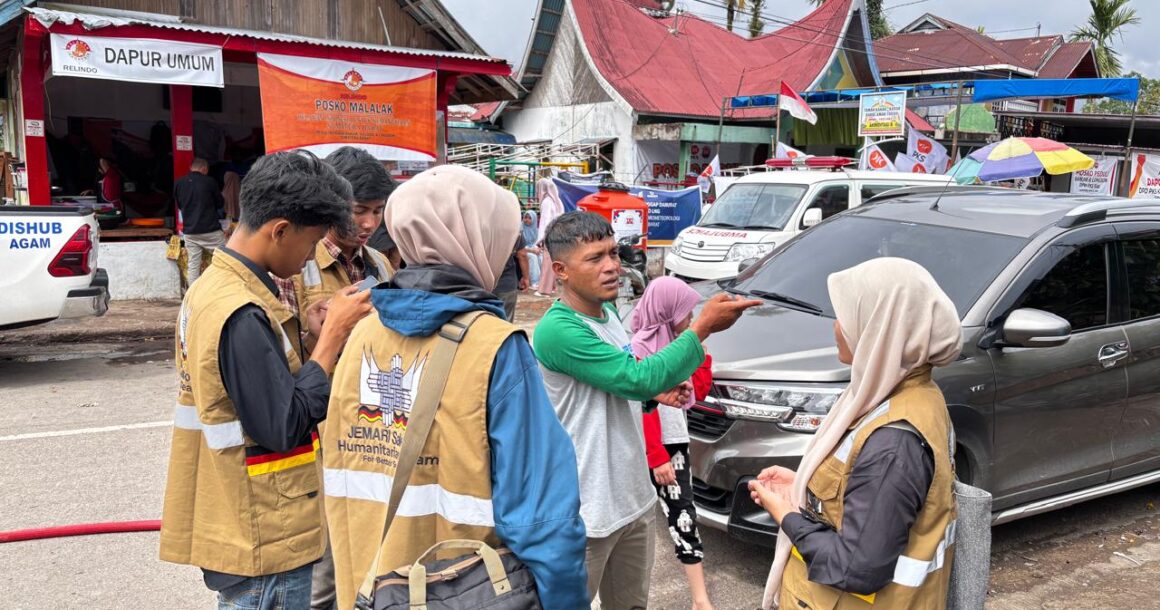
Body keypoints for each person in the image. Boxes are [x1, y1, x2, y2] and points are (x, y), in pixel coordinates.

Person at [322, 165, 589, 610]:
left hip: (370, 590)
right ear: (478, 238)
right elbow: (543, 517)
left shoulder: (361, 334)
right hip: (468, 592)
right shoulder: (495, 347)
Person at [159, 151, 374, 610]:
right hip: (264, 532)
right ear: (279, 230)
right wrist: (332, 338)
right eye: (312, 239)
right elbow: (283, 423)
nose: (311, 255)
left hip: (244, 515)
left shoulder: (216, 288)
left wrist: (310, 336)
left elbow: (255, 387)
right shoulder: (239, 310)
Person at [533, 211, 760, 609]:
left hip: (632, 498)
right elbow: (635, 377)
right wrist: (700, 329)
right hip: (588, 510)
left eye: (613, 253)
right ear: (560, 270)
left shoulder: (606, 316)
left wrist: (655, 395)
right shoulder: (558, 329)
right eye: (595, 259)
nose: (612, 267)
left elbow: (621, 387)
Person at [748, 257, 961, 610]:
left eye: (845, 316)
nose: (836, 327)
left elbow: (854, 567)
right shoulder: (901, 396)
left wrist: (786, 515)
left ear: (879, 328)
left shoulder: (895, 442)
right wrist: (805, 487)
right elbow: (864, 493)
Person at [631, 277, 716, 610]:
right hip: (654, 448)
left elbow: (697, 391)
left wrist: (703, 356)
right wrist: (656, 455)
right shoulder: (638, 347)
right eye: (686, 311)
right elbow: (642, 406)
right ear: (666, 311)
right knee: (639, 521)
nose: (691, 319)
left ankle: (700, 599)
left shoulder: (680, 344)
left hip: (674, 442)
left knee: (684, 515)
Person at [275, 147, 397, 348]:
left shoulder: (381, 263)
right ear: (331, 204)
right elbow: (287, 356)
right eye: (359, 210)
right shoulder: (290, 269)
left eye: (377, 211)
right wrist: (320, 336)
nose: (370, 223)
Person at [175, 158, 227, 284]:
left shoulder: (179, 183)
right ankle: (222, 288)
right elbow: (220, 203)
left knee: (193, 265)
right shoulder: (210, 181)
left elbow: (180, 205)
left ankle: (194, 296)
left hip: (190, 232)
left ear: (191, 168)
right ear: (204, 169)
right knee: (225, 260)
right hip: (211, 231)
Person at [534, 177, 563, 297]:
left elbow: (545, 222)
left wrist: (540, 239)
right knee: (552, 261)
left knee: (547, 263)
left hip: (549, 235)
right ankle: (551, 286)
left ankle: (544, 290)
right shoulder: (555, 201)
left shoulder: (546, 202)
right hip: (556, 234)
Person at [495, 232, 530, 322]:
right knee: (505, 321)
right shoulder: (513, 227)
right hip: (505, 282)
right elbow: (522, 254)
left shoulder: (476, 224)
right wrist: (526, 277)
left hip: (480, 282)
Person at [522, 210, 542, 286]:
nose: (527, 220)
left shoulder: (536, 230)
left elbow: (536, 243)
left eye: (530, 218)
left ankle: (542, 281)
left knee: (541, 257)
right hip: (522, 250)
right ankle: (535, 282)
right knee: (533, 257)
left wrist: (538, 249)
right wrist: (532, 250)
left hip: (532, 248)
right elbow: (519, 245)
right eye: (525, 217)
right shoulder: (521, 228)